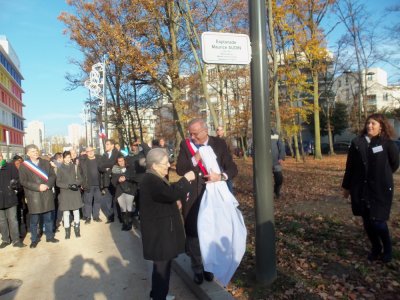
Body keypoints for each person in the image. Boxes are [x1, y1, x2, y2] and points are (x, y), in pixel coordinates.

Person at [176, 118, 238, 285]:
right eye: (190, 133)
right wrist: (195, 158)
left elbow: (232, 168)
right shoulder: (186, 145)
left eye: (195, 133)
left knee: (211, 231)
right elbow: (180, 169)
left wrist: (221, 176)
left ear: (205, 130)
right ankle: (197, 267)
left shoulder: (219, 143)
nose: (192, 136)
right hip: (193, 196)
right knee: (194, 232)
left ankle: (209, 267)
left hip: (214, 196)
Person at [342, 113, 399, 263]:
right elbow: (350, 167)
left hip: (381, 189)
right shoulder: (357, 142)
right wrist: (346, 187)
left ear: (381, 126)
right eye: (368, 123)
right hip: (361, 188)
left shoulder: (387, 144)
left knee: (378, 221)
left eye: (373, 123)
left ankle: (387, 249)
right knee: (367, 221)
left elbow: (394, 164)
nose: (369, 126)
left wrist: (382, 175)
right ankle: (376, 248)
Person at [140, 148, 195, 300]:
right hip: (159, 234)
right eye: (164, 164)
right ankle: (159, 296)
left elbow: (163, 197)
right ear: (154, 165)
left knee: (163, 266)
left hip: (161, 231)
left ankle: (159, 294)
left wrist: (173, 203)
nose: (168, 166)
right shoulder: (151, 180)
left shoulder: (155, 177)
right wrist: (185, 180)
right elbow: (169, 193)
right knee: (161, 268)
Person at [19, 144, 59, 248]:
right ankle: (34, 239)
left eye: (36, 150)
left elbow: (52, 175)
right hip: (34, 196)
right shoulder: (24, 166)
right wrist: (38, 187)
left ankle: (49, 236)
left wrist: (47, 185)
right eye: (32, 151)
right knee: (34, 221)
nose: (35, 152)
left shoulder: (45, 163)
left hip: (46, 193)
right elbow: (23, 181)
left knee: (48, 218)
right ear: (27, 153)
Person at [0, 153, 26, 248]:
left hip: (10, 198)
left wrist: (15, 187)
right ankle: (5, 240)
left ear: (2, 156)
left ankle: (16, 241)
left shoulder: (10, 166)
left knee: (13, 220)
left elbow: (18, 180)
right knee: (2, 221)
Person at [56, 151, 84, 239]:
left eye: (69, 157)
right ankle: (67, 232)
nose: (68, 159)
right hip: (65, 193)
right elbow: (58, 183)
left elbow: (80, 179)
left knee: (76, 211)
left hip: (75, 192)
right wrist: (68, 186)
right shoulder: (60, 168)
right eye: (66, 157)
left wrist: (76, 184)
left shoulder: (75, 167)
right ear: (63, 158)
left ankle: (77, 230)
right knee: (66, 213)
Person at [111, 156, 138, 231]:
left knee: (128, 208)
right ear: (117, 162)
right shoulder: (115, 169)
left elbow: (134, 177)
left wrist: (126, 177)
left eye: (122, 160)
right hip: (120, 191)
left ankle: (129, 223)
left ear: (124, 160)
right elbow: (113, 181)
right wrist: (118, 180)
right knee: (123, 209)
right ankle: (125, 223)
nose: (121, 162)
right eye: (119, 161)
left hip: (130, 190)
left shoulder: (130, 168)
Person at [126, 140, 151, 217]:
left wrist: (141, 143)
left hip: (142, 180)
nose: (135, 147)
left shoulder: (142, 154)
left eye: (136, 145)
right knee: (134, 198)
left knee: (142, 197)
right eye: (133, 145)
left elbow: (148, 150)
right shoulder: (128, 157)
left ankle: (142, 214)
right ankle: (136, 211)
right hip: (132, 181)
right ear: (131, 146)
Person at [80, 147, 103, 224]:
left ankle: (96, 216)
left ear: (94, 151)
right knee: (88, 202)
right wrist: (82, 184)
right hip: (88, 185)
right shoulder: (83, 161)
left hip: (98, 184)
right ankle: (88, 217)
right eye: (88, 151)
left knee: (97, 201)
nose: (90, 152)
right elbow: (81, 174)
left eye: (91, 151)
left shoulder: (99, 159)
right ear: (86, 153)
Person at [98, 139, 120, 223]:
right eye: (105, 144)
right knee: (108, 199)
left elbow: (119, 165)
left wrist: (108, 166)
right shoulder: (104, 155)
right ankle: (111, 217)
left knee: (118, 199)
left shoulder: (118, 154)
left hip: (116, 180)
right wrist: (106, 168)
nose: (106, 146)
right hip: (106, 181)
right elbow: (100, 166)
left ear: (112, 145)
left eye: (107, 144)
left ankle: (121, 217)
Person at [271, 129, 285, 198]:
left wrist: (281, 157)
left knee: (279, 179)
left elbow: (281, 146)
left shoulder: (275, 134)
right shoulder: (260, 132)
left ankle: (276, 191)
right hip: (264, 163)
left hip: (276, 161)